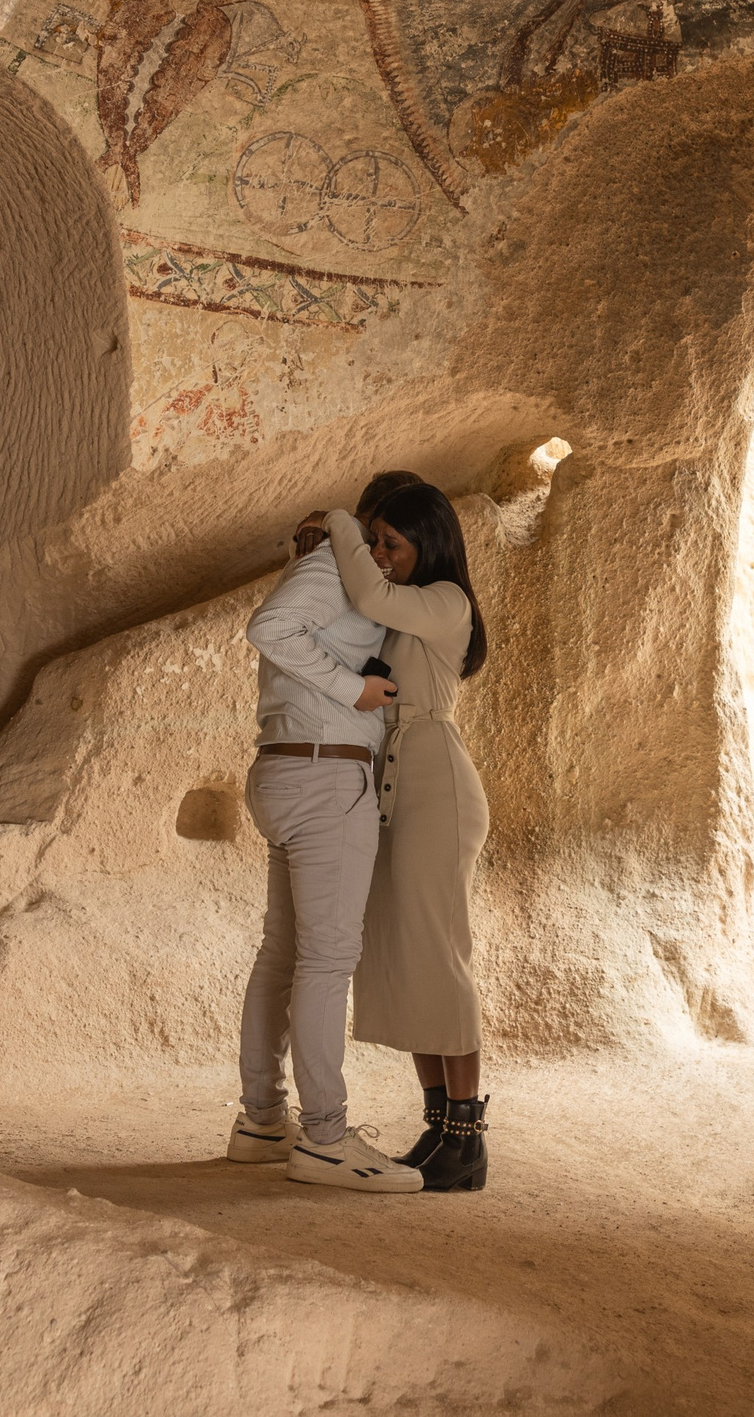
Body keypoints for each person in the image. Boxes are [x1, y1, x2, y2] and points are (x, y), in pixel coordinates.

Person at [228, 469, 424, 1193]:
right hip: (322, 773)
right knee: (325, 959)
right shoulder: (331, 564)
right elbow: (267, 628)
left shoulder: (331, 565)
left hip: (291, 769)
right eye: (384, 539)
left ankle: (260, 1121)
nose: (385, 555)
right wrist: (356, 691)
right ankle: (326, 1137)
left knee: (283, 953)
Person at [305, 483, 492, 1192]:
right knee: (406, 955)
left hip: (435, 786)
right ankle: (439, 1126)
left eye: (391, 543)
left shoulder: (445, 600)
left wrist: (339, 522)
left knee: (439, 953)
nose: (378, 555)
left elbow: (373, 596)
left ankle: (468, 1139)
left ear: (428, 545)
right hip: (393, 784)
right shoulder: (396, 603)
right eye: (374, 542)